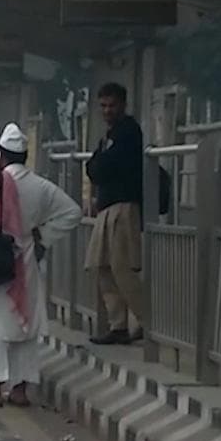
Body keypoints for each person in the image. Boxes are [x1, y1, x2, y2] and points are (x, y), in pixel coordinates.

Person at [0, 123, 82, 408]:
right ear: (26, 156)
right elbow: (72, 212)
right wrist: (42, 237)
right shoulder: (40, 186)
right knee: (24, 325)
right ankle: (19, 391)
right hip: (22, 261)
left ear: (0, 155)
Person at [85, 82, 146, 345]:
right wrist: (98, 165)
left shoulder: (128, 132)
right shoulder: (108, 135)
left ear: (122, 105)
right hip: (106, 208)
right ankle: (117, 324)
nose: (107, 111)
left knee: (123, 268)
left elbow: (105, 166)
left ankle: (147, 322)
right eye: (103, 106)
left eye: (111, 105)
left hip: (123, 206)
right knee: (103, 267)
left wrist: (99, 164)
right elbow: (93, 167)